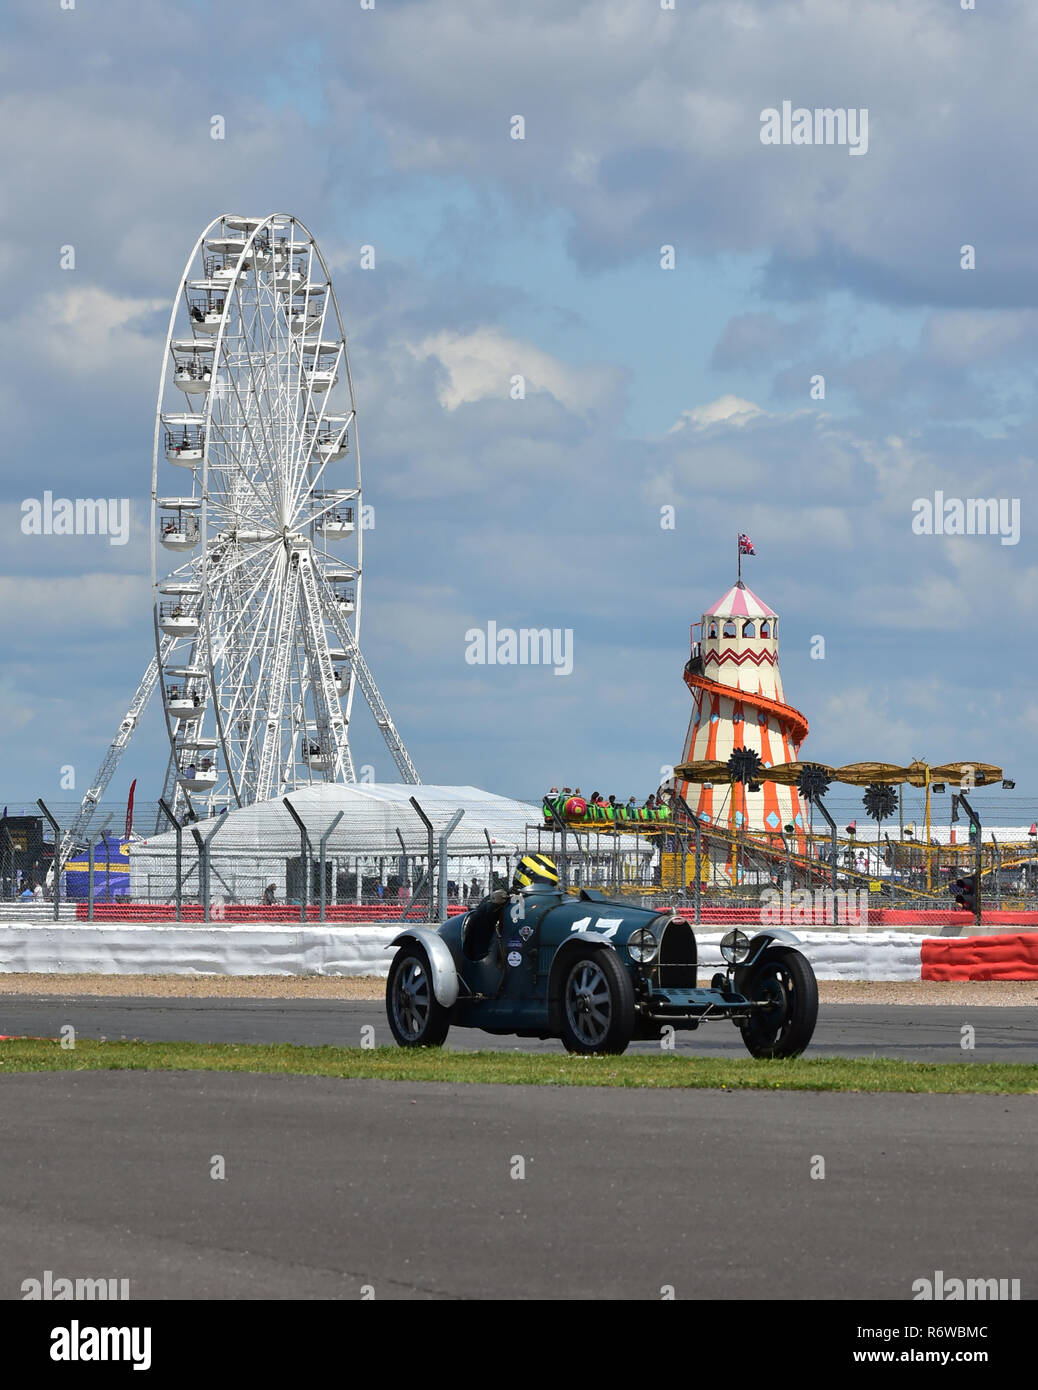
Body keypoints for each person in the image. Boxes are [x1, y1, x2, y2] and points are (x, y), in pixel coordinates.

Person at [462, 854, 560, 963]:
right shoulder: (500, 900)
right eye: (542, 882)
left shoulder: (554, 902)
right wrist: (493, 906)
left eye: (550, 884)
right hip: (496, 962)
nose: (546, 887)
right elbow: (479, 927)